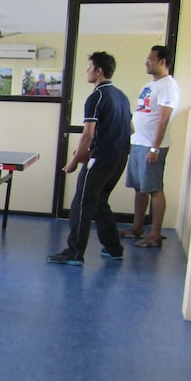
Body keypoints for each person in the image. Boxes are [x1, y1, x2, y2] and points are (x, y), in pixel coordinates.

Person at [48, 52, 131, 266]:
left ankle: (74, 252)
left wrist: (73, 162)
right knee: (100, 201)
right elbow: (130, 129)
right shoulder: (121, 96)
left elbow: (88, 134)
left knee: (82, 203)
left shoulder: (97, 96)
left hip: (101, 159)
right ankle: (114, 248)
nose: (87, 71)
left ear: (99, 71)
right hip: (120, 157)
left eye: (90, 67)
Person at [119, 45, 180, 248]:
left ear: (162, 61)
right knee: (140, 188)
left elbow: (164, 119)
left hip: (151, 146)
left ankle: (154, 234)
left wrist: (155, 148)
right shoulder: (151, 85)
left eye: (150, 59)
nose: (146, 62)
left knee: (154, 189)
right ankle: (137, 228)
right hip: (138, 142)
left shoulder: (168, 86)